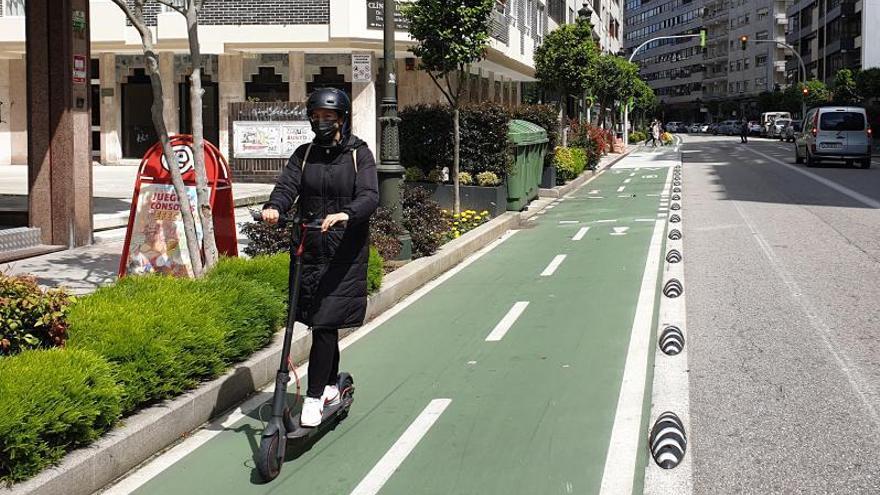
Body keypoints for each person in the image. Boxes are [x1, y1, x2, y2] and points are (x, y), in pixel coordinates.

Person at [261, 88, 379, 427]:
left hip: (344, 252)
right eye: (317, 117)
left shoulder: (360, 154)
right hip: (309, 249)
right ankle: (328, 385)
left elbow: (370, 195)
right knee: (320, 324)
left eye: (329, 117)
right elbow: (287, 187)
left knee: (326, 323)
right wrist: (274, 207)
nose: (322, 122)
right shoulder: (305, 153)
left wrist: (347, 214)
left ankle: (312, 399)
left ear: (342, 118)